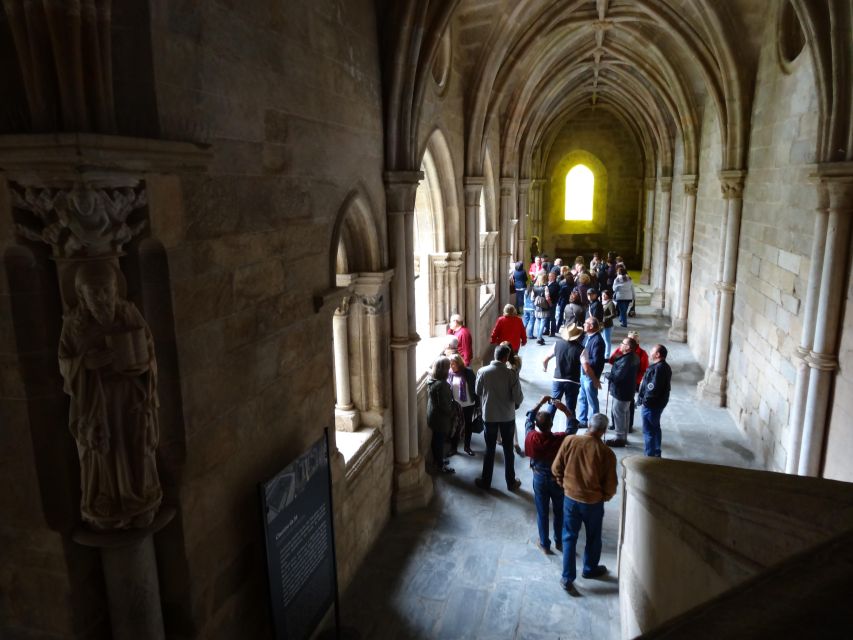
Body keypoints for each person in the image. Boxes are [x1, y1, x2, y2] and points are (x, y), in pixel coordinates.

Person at [58, 261, 162, 530]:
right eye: (95, 293)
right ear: (82, 296)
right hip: (97, 402)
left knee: (136, 445)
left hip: (132, 397)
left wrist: (142, 366)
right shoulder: (74, 326)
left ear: (116, 289)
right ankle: (107, 503)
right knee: (105, 451)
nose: (103, 297)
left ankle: (141, 496)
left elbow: (149, 349)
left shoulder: (129, 313)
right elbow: (64, 363)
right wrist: (85, 364)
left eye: (108, 290)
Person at [551, 413, 618, 595]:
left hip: (570, 499)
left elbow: (556, 468)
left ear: (588, 426)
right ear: (603, 431)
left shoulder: (570, 441)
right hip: (593, 503)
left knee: (569, 537)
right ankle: (589, 568)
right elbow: (611, 486)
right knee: (594, 537)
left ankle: (567, 578)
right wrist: (603, 497)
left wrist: (563, 484)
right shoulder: (606, 453)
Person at [525, 395, 573, 554]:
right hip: (556, 479)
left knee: (542, 512)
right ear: (552, 424)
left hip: (539, 477)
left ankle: (545, 544)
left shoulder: (531, 436)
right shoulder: (560, 439)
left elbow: (528, 419)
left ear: (537, 426)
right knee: (559, 511)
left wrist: (540, 402)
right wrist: (564, 410)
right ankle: (559, 542)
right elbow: (572, 427)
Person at [474, 345, 524, 491]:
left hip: (489, 415)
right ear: (505, 358)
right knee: (508, 449)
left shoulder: (482, 371)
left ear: (495, 355)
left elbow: (478, 391)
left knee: (489, 449)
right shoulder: (511, 374)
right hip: (507, 416)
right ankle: (511, 482)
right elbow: (518, 398)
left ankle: (486, 481)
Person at [542, 324, 584, 433]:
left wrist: (545, 367)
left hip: (558, 379)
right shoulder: (581, 349)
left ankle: (546, 428)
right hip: (573, 381)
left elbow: (545, 359)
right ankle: (570, 431)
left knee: (553, 404)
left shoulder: (557, 344)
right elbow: (586, 367)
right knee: (570, 407)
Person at [637, 344, 672, 457]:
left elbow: (652, 389)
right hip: (658, 403)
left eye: (652, 351)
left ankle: (650, 456)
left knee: (649, 431)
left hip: (652, 405)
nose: (650, 352)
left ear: (657, 354)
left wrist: (644, 402)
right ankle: (657, 452)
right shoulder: (664, 367)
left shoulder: (658, 369)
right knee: (655, 428)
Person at [605, 337, 640, 447]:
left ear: (628, 347)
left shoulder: (627, 360)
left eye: (623, 343)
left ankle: (619, 438)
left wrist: (608, 375)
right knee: (625, 414)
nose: (620, 344)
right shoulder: (633, 356)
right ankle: (623, 437)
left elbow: (618, 378)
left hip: (622, 392)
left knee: (619, 414)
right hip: (627, 391)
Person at [426, 357, 455, 474]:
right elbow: (444, 406)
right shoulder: (441, 386)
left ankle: (439, 460)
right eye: (448, 368)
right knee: (439, 441)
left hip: (433, 415)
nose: (449, 370)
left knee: (437, 440)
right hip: (440, 418)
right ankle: (440, 464)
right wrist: (453, 411)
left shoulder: (433, 380)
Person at [577, 317, 605, 430]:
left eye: (586, 323)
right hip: (583, 372)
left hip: (590, 374)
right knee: (582, 397)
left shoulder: (598, 341)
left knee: (592, 399)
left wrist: (583, 360)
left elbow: (597, 361)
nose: (584, 324)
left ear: (592, 326)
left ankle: (594, 424)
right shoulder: (586, 337)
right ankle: (583, 420)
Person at [447, 354, 478, 456]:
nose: (451, 366)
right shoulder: (450, 374)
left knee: (468, 425)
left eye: (453, 364)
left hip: (468, 403)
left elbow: (475, 387)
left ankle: (467, 447)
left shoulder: (467, 372)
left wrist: (478, 404)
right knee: (455, 425)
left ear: (459, 363)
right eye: (450, 364)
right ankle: (453, 448)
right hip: (456, 404)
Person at [626, 330, 650, 429]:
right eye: (630, 339)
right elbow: (613, 360)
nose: (632, 341)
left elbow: (644, 369)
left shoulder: (642, 354)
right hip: (622, 381)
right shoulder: (623, 349)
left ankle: (629, 424)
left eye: (634, 340)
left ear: (638, 341)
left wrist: (636, 380)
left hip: (633, 381)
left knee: (630, 403)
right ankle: (615, 424)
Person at [601, 290, 617, 358]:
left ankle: (607, 355)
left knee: (607, 341)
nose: (603, 296)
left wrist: (605, 318)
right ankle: (604, 353)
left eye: (605, 295)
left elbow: (614, 314)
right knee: (603, 340)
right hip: (602, 325)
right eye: (602, 295)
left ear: (608, 295)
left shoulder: (610, 303)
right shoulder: (602, 303)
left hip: (608, 325)